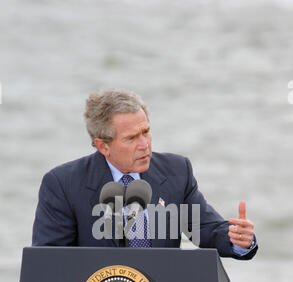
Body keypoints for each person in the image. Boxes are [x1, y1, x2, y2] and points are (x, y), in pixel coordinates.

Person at [32, 89, 257, 260]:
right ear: (103, 146)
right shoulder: (63, 184)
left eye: (146, 132)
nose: (144, 145)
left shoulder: (177, 171)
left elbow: (204, 229)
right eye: (131, 138)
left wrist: (238, 239)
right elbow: (50, 261)